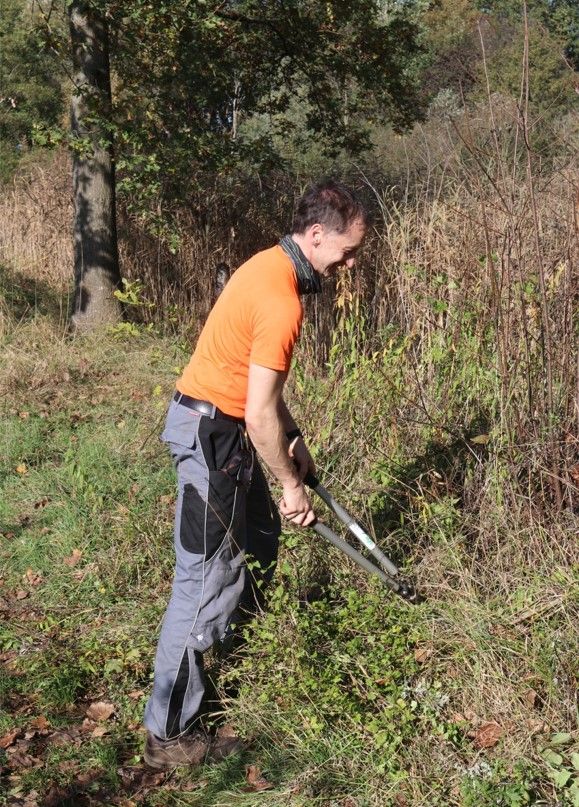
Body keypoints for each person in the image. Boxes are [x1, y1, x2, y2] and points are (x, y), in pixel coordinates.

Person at [143, 179, 368, 769]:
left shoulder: (270, 267)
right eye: (345, 252)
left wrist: (294, 441)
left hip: (226, 429)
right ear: (316, 235)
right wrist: (293, 485)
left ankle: (240, 648)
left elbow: (260, 392)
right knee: (200, 584)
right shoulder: (281, 298)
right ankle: (168, 735)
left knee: (261, 539)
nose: (346, 266)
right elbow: (258, 410)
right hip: (212, 438)